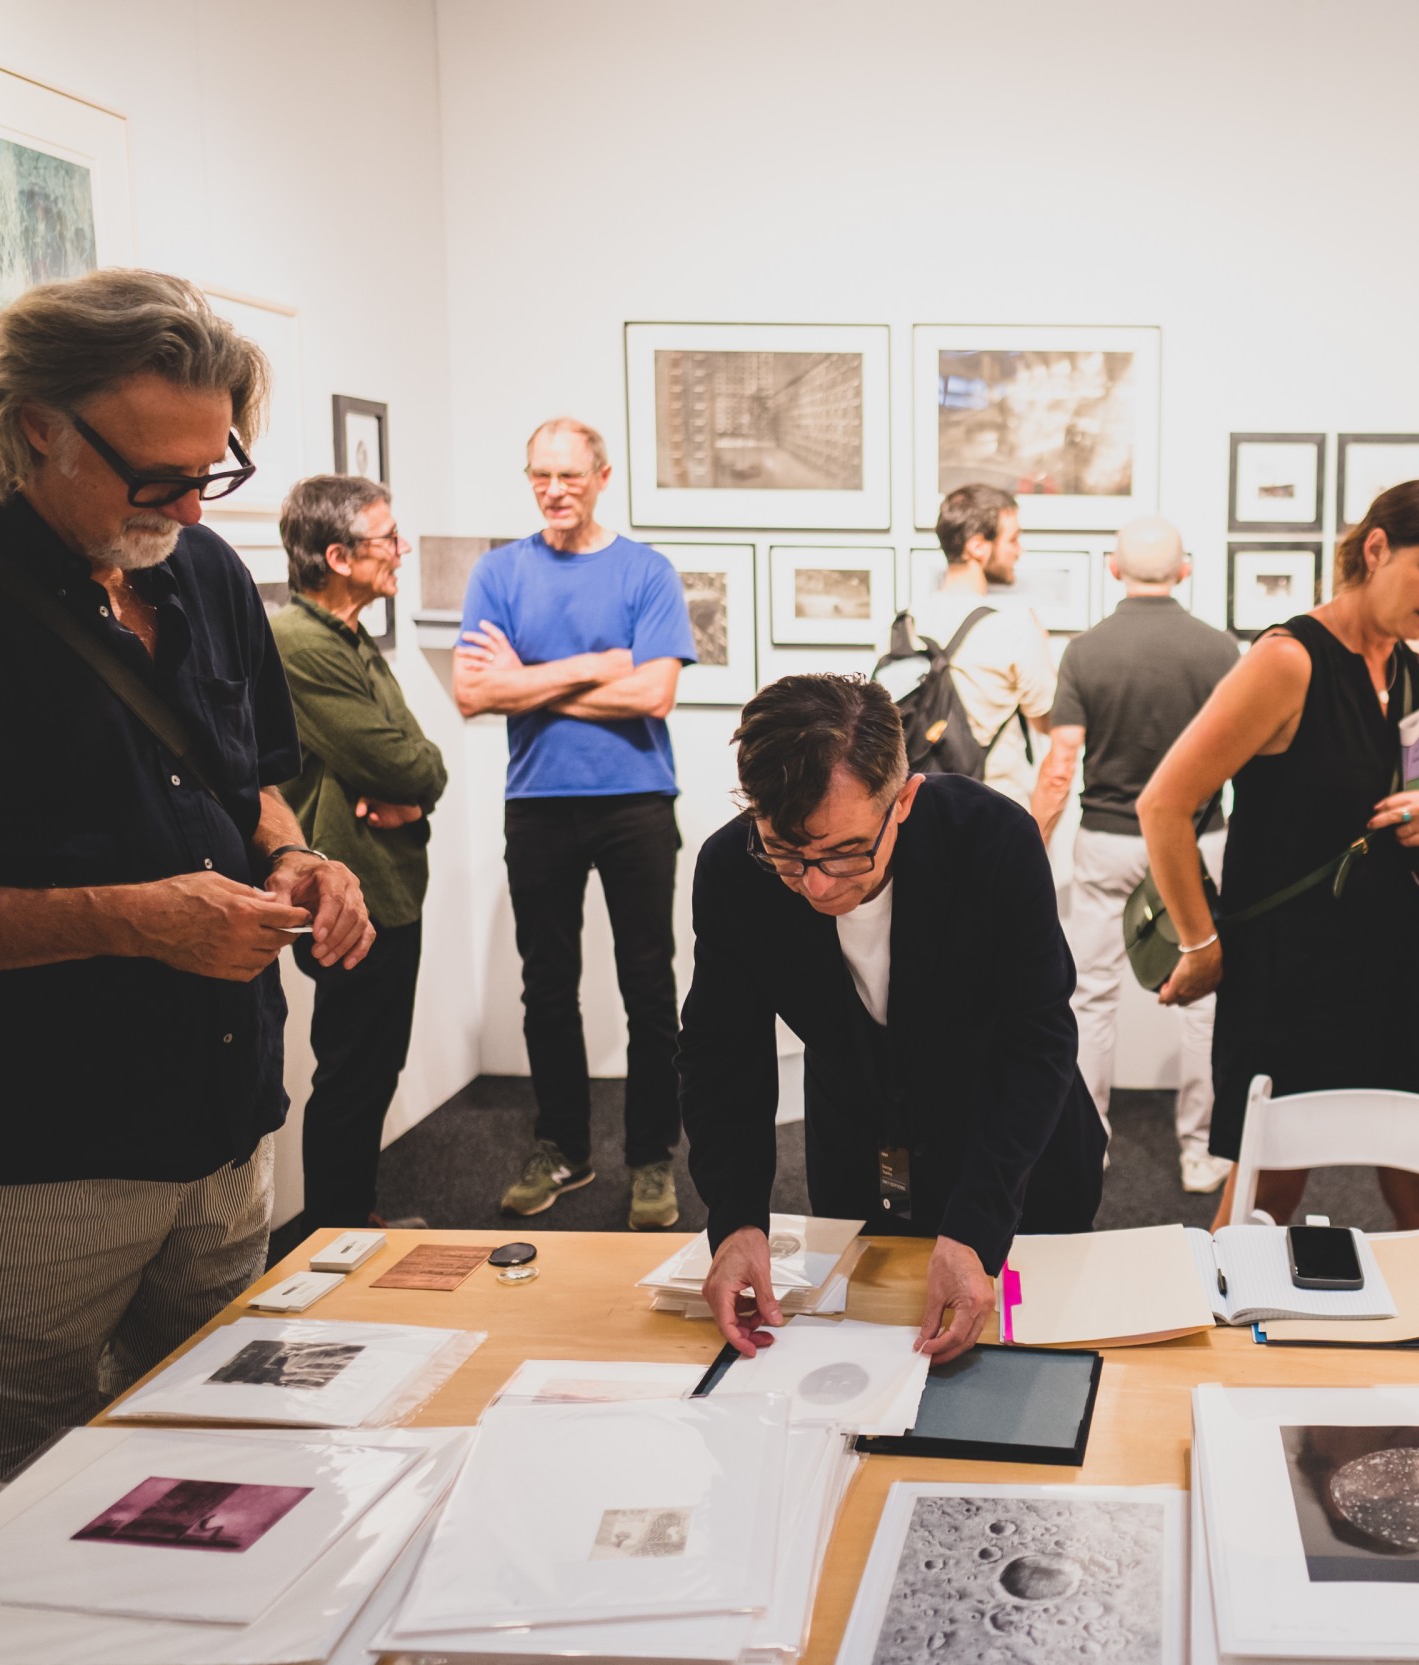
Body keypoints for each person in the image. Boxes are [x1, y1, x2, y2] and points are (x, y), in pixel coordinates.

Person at [0, 269, 373, 1502]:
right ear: (40, 426)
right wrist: (129, 921)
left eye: (212, 470)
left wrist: (297, 859)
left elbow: (251, 784)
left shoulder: (206, 571)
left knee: (226, 1477)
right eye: (156, 476)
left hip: (223, 1127)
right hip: (20, 1155)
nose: (188, 505)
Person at [682, 675, 1106, 1364]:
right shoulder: (733, 870)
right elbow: (721, 1056)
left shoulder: (994, 840)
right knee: (862, 1376)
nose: (816, 883)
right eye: (785, 852)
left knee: (1030, 1380)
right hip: (860, 1163)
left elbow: (1037, 1040)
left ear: (903, 800)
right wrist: (734, 1220)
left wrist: (975, 1228)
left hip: (1014, 1160)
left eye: (845, 851)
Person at [1139, 478, 1419, 1231]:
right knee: (1267, 1197)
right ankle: (1225, 1309)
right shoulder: (1289, 661)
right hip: (1289, 974)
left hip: (1394, 966)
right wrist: (1200, 943)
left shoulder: (1415, 670)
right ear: (1377, 549)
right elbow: (1163, 804)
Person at [454, 417, 695, 1229]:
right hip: (539, 802)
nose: (554, 490)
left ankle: (652, 1157)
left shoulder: (646, 571)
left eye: (569, 475)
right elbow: (473, 692)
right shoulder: (499, 572)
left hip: (636, 800)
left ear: (602, 477)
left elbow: (654, 693)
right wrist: (597, 663)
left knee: (648, 986)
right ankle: (562, 1147)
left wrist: (529, 681)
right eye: (540, 475)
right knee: (547, 987)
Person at [1035, 515, 1241, 1191]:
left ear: (1113, 568)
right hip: (1199, 840)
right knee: (1205, 1001)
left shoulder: (1085, 651)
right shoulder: (1220, 649)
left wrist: (1034, 839)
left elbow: (1062, 761)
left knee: (1091, 997)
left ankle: (1088, 1145)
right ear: (1185, 569)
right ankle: (1202, 1151)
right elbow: (1243, 757)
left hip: (1109, 839)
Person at [271, 473, 449, 1229]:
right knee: (351, 1070)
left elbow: (421, 761)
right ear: (339, 557)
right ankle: (334, 1236)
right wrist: (412, 783)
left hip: (388, 880)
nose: (401, 551)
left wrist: (414, 788)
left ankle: (354, 1222)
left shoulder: (350, 637)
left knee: (375, 1065)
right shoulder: (299, 644)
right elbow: (406, 765)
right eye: (388, 538)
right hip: (349, 893)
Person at [908, 483, 1057, 810]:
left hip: (918, 810)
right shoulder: (1015, 625)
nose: (1019, 550)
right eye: (1012, 539)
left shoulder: (904, 623)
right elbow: (1046, 721)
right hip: (993, 812)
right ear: (978, 546)